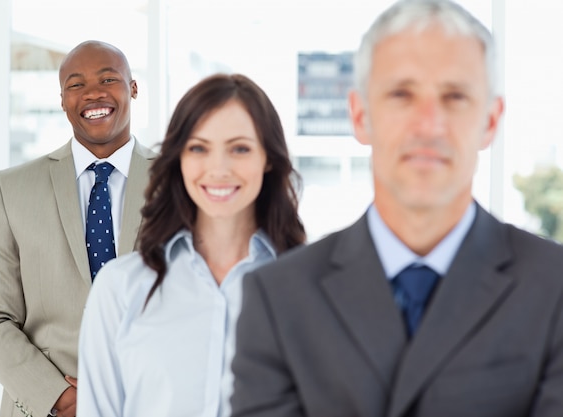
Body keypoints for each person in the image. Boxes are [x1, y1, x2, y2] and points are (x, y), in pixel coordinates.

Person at [230, 1, 563, 416]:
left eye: (455, 96)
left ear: (491, 121)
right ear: (360, 115)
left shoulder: (554, 287)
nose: (428, 123)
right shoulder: (279, 298)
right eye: (402, 94)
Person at [76, 73, 306, 417]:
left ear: (268, 157)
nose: (219, 169)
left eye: (240, 148)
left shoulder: (309, 289)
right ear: (179, 158)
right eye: (199, 148)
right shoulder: (120, 287)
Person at [0, 40, 157, 417]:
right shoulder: (12, 189)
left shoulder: (179, 183)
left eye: (108, 78)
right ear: (61, 99)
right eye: (75, 84)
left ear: (133, 88)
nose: (92, 93)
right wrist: (59, 397)